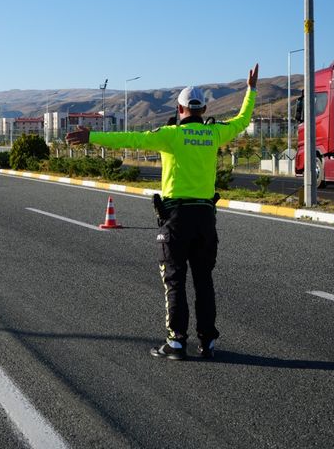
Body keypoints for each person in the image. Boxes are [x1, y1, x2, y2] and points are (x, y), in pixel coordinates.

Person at [66, 64, 259, 360]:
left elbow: (132, 139)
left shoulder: (170, 134)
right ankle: (207, 342)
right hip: (206, 218)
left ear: (179, 108)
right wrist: (251, 90)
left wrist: (93, 137)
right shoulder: (215, 134)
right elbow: (242, 120)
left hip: (176, 218)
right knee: (204, 281)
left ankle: (177, 342)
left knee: (175, 279)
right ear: (203, 108)